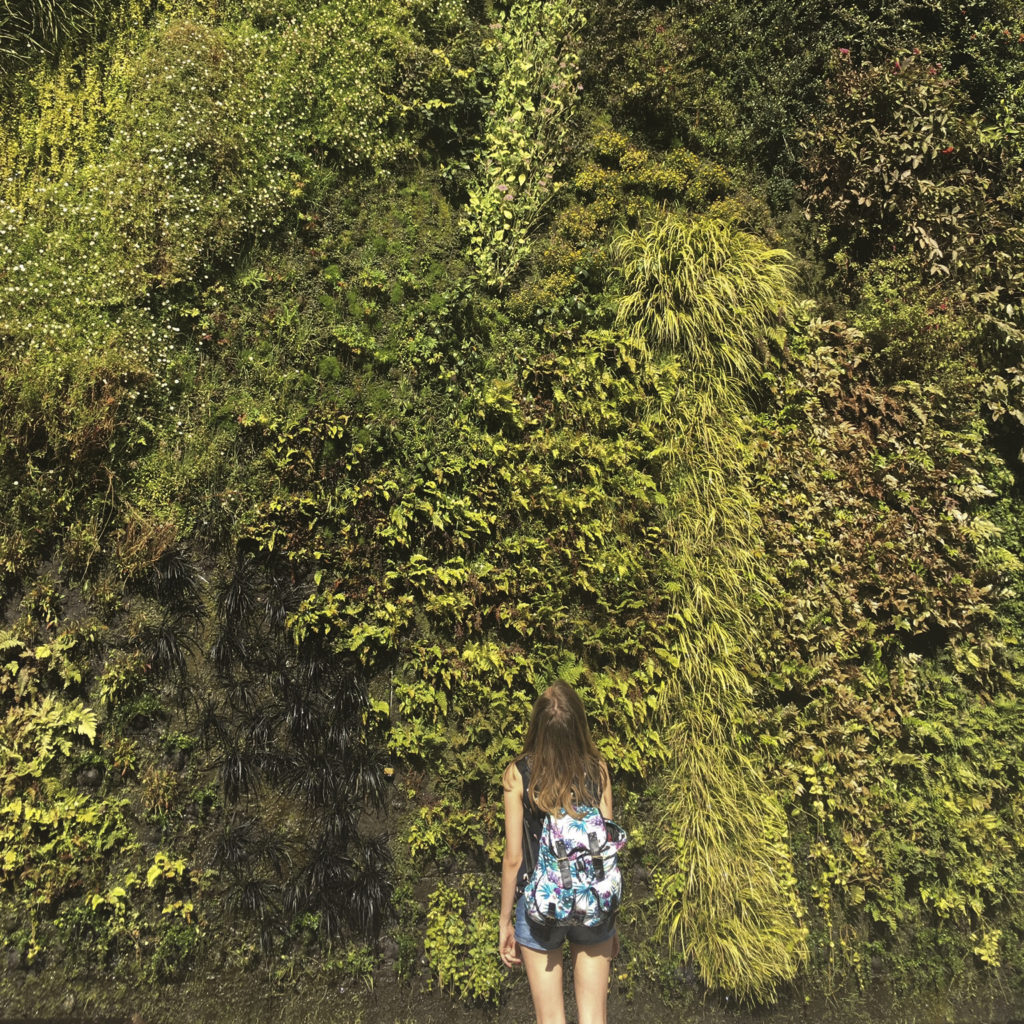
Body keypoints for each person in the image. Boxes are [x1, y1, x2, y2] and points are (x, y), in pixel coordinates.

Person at [499, 681, 620, 1024]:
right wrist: (611, 917)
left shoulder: (518, 775)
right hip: (593, 903)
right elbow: (606, 852)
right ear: (579, 725)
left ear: (536, 726)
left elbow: (514, 858)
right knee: (594, 1018)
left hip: (540, 906)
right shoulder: (597, 770)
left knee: (550, 1019)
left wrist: (505, 920)